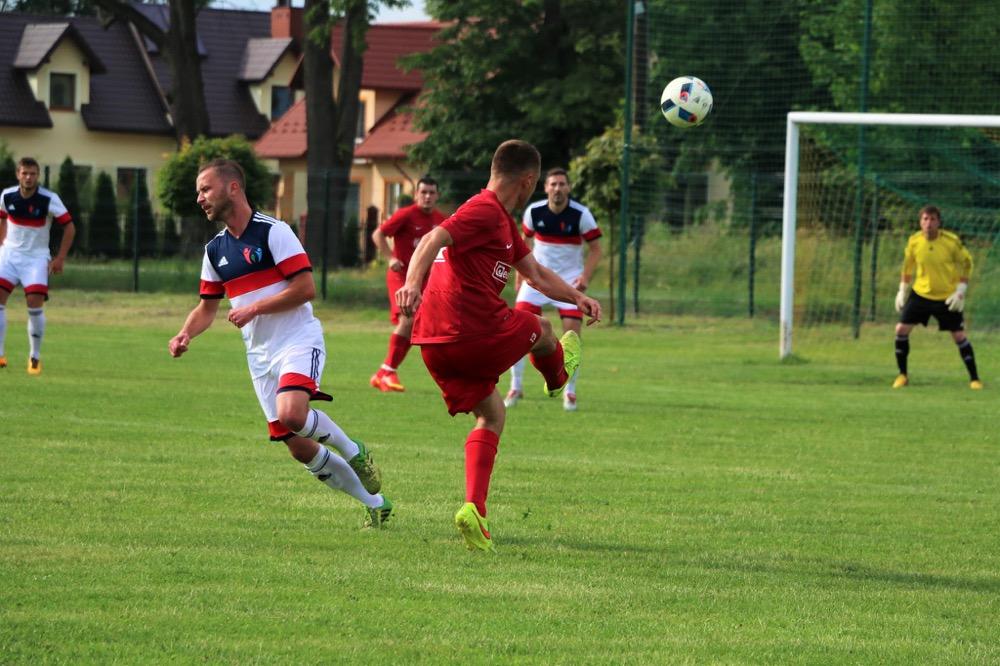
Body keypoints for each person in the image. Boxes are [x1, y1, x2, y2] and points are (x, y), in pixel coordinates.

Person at [396, 140, 602, 552]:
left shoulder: (504, 225)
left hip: (433, 344)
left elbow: (536, 274)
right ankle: (558, 377)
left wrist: (576, 296)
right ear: (528, 181)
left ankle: (474, 510)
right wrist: (411, 284)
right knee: (542, 327)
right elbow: (432, 238)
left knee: (492, 414)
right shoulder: (485, 209)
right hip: (469, 330)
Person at [168, 159, 393, 527]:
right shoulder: (214, 251)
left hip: (297, 340)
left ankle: (354, 451)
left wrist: (254, 308)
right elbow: (206, 307)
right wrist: (185, 333)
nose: (200, 198)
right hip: (259, 357)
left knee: (292, 414)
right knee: (300, 447)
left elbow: (305, 288)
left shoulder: (273, 232)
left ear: (233, 188)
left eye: (205, 189)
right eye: (198, 191)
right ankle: (376, 503)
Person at [504, 168, 602, 411]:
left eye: (562, 184)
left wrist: (584, 277)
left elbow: (596, 249)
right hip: (536, 280)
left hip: (568, 283)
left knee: (572, 335)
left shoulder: (581, 215)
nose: (557, 188)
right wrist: (520, 275)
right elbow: (524, 243)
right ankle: (515, 386)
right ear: (546, 188)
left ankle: (570, 391)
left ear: (568, 188)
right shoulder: (533, 211)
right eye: (553, 184)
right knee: (519, 332)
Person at [892, 204, 981, 390]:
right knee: (901, 329)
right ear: (920, 222)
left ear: (939, 222)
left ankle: (974, 379)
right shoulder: (914, 241)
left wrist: (961, 290)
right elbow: (907, 267)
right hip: (921, 294)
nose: (929, 223)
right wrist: (902, 290)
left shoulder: (951, 242)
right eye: (925, 219)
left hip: (946, 296)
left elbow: (967, 263)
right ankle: (902, 375)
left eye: (933, 219)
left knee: (959, 336)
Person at [0, 157, 76, 374]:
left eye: (32, 173)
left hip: (36, 258)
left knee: (34, 306)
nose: (28, 177)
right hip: (9, 255)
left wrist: (60, 258)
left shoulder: (49, 199)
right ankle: (0, 355)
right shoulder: (6, 195)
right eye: (24, 173)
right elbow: (2, 219)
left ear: (38, 176)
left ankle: (34, 357)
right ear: (18, 174)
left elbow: (70, 227)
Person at [369, 176, 445, 392]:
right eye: (423, 192)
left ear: (437, 196)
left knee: (416, 325)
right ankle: (387, 371)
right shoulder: (406, 214)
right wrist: (390, 258)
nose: (427, 196)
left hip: (423, 280)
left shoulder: (441, 220)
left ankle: (384, 373)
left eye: (431, 193)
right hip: (401, 276)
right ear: (416, 195)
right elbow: (378, 234)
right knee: (409, 317)